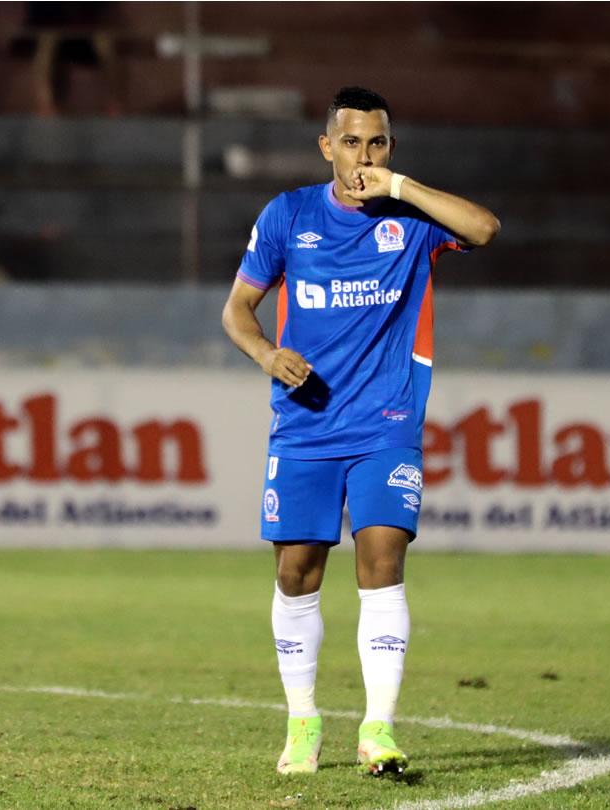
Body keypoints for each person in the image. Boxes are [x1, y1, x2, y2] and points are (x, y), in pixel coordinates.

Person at [221, 87, 499, 776]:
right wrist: (267, 356)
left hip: (386, 425)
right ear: (327, 146)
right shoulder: (288, 215)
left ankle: (378, 729)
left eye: (376, 143)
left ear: (390, 149)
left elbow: (485, 229)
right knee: (296, 573)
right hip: (305, 425)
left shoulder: (412, 217)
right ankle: (303, 721)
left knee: (382, 562)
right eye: (351, 142)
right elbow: (237, 309)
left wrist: (401, 187)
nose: (363, 156)